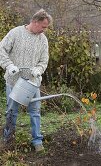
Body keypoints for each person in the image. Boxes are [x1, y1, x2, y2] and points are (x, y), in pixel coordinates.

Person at [0, 9, 52, 152]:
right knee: (11, 111)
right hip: (14, 80)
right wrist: (9, 65)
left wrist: (39, 70)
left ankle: (37, 141)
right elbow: (1, 50)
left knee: (35, 112)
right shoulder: (15, 33)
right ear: (35, 22)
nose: (44, 30)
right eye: (43, 26)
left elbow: (44, 60)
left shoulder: (43, 40)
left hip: (32, 83)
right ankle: (8, 140)